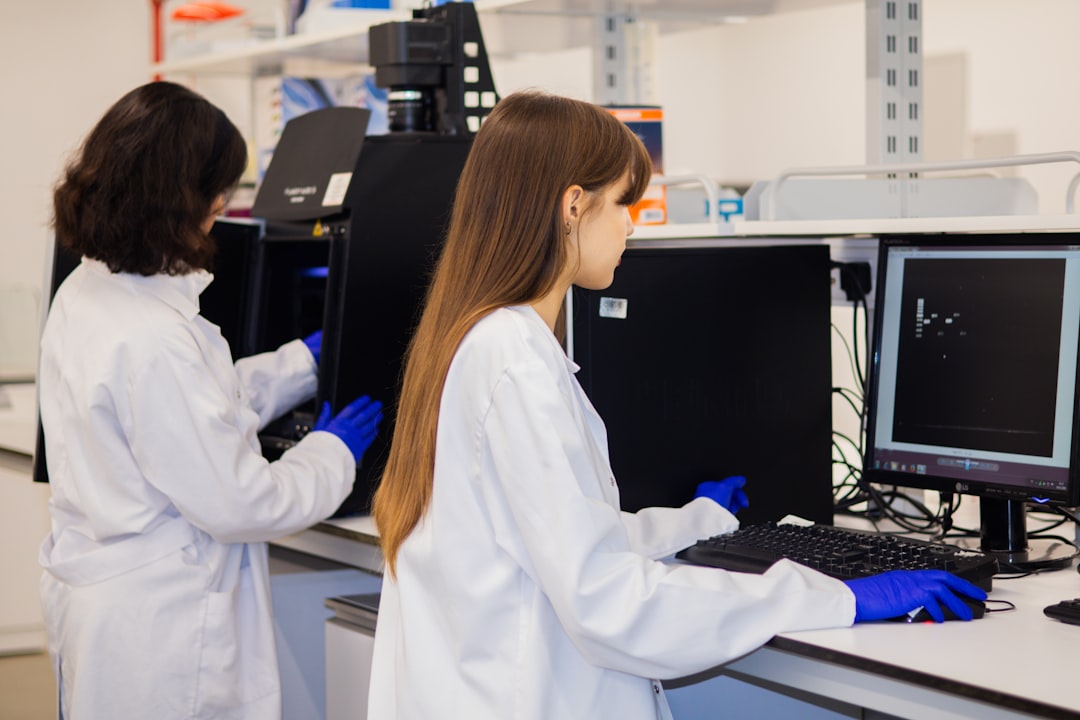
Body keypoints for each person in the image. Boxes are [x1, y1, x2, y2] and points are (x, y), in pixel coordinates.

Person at [367, 90, 986, 719]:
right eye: (622, 202)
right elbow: (608, 602)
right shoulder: (514, 361)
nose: (630, 225)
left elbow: (569, 536)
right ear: (573, 206)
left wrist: (696, 521)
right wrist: (836, 597)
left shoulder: (477, 339)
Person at [37, 80, 383, 719]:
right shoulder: (154, 336)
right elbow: (242, 501)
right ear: (176, 197)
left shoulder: (90, 290)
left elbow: (189, 408)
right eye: (217, 189)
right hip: (161, 627)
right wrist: (331, 454)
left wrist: (303, 363)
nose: (223, 203)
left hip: (108, 602)